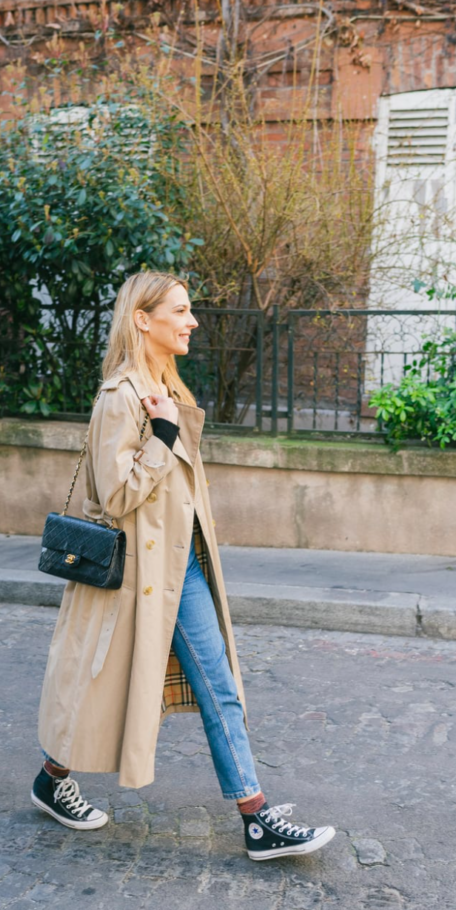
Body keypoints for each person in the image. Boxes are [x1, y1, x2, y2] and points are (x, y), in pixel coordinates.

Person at [33, 271, 335, 862]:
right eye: (181, 310)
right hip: (135, 576)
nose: (192, 320)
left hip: (178, 567)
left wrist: (170, 419)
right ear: (142, 319)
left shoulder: (164, 385)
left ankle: (256, 815)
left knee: (216, 683)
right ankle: (52, 777)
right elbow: (116, 497)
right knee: (102, 687)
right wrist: (164, 432)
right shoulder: (122, 396)